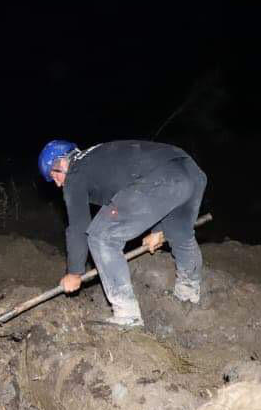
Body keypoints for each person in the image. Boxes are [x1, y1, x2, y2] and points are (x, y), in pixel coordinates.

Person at [39, 139, 208, 327]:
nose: (57, 184)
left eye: (54, 176)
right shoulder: (95, 158)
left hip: (162, 179)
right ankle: (188, 296)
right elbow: (144, 177)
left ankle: (127, 315)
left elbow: (78, 227)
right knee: (181, 234)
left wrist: (74, 272)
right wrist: (158, 230)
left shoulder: (75, 172)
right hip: (191, 172)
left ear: (61, 163)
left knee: (101, 235)